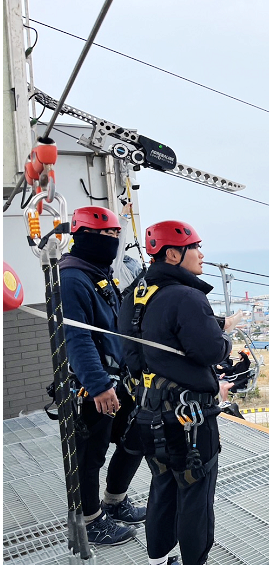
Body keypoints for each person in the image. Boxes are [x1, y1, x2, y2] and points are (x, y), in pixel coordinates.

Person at [118, 220, 234, 565]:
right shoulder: (186, 296)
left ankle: (158, 559)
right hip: (189, 419)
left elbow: (138, 353)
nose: (201, 254)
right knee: (196, 494)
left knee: (163, 487)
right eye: (194, 247)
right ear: (172, 254)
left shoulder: (135, 295)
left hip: (148, 413)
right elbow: (210, 351)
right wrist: (225, 340)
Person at [59, 206, 146, 546]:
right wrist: (97, 385)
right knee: (90, 455)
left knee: (135, 438)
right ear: (83, 237)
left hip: (118, 379)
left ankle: (115, 501)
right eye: (105, 234)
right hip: (93, 385)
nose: (111, 240)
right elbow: (76, 338)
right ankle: (91, 521)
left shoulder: (96, 272)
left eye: (114, 235)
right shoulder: (72, 278)